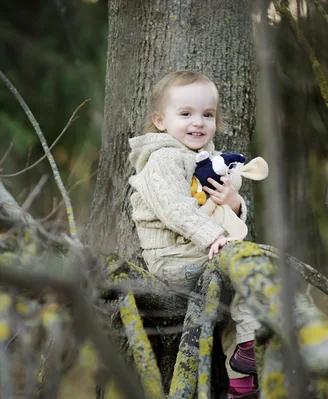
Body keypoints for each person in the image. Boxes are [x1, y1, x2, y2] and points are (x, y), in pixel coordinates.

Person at [127, 70, 260, 399]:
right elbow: (175, 209)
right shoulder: (164, 159)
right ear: (160, 120)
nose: (198, 122)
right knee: (243, 271)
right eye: (185, 114)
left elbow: (221, 214)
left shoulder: (207, 161)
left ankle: (241, 382)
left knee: (230, 302)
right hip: (173, 258)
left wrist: (234, 204)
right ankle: (248, 347)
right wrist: (213, 236)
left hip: (194, 251)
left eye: (207, 115)